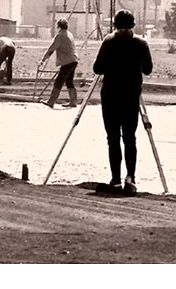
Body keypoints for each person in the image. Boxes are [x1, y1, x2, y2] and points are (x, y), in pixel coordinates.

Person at [93, 10, 153, 194]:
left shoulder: (109, 41)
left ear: (115, 25)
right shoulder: (141, 43)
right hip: (131, 94)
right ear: (133, 25)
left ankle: (116, 179)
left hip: (111, 94)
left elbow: (97, 68)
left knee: (113, 138)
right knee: (130, 137)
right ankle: (131, 177)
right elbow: (148, 70)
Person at [39, 18, 79, 108]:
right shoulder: (69, 34)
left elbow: (51, 49)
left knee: (58, 81)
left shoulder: (60, 35)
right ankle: (73, 102)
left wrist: (42, 60)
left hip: (68, 61)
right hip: (73, 60)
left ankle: (51, 101)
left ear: (58, 26)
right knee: (69, 81)